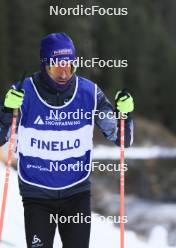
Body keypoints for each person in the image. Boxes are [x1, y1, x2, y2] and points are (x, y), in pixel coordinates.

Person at [0, 33, 134, 248]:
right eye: (56, 68)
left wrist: (125, 114)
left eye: (69, 66)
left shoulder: (89, 93)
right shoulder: (23, 91)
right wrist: (7, 111)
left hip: (76, 192)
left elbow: (122, 138)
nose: (63, 74)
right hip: (37, 194)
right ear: (44, 65)